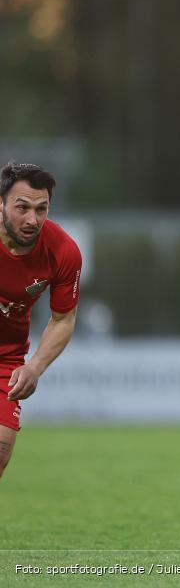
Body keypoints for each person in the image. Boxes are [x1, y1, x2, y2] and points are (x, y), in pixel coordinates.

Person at [0, 162, 81, 479]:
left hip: (5, 359)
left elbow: (63, 319)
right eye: (22, 208)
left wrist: (34, 367)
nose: (32, 219)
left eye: (41, 209)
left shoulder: (63, 251)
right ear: (2, 203)